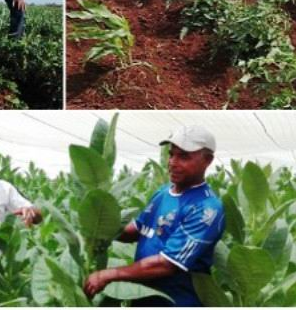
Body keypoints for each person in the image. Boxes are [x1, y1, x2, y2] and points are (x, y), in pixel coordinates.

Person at [83, 126, 225, 307]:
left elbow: (166, 264)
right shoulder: (163, 193)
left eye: (183, 157)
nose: (172, 162)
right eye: (171, 154)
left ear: (207, 160)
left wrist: (109, 274)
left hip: (177, 301)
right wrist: (97, 228)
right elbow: (136, 230)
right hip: (142, 297)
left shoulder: (207, 209)